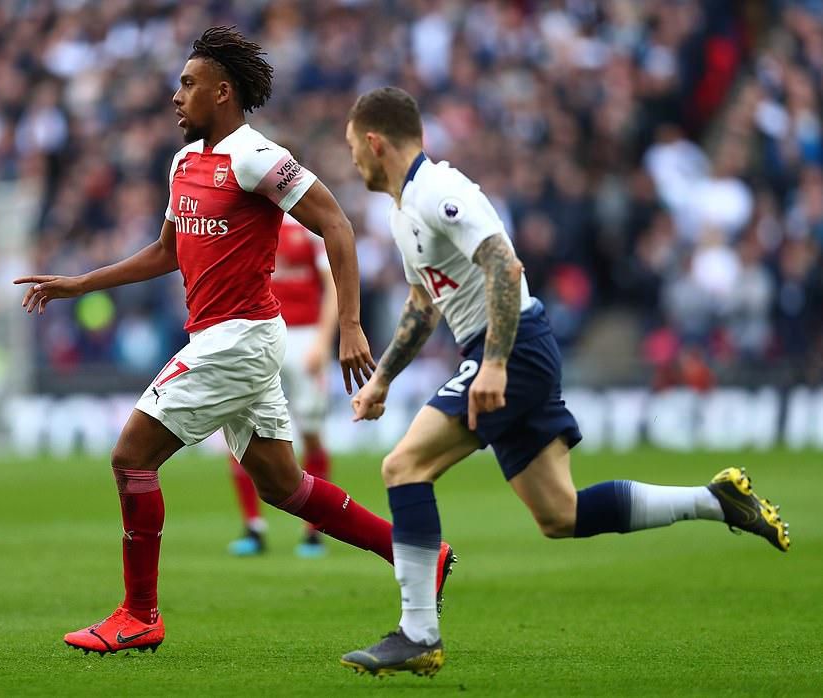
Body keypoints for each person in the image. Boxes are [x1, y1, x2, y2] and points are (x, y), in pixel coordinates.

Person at [14, 30, 453, 656]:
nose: (176, 96)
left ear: (223, 92)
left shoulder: (255, 156)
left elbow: (336, 223)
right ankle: (418, 557)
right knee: (284, 487)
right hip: (230, 337)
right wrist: (79, 284)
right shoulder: (183, 162)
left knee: (130, 458)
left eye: (188, 84)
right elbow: (168, 251)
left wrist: (350, 324)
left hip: (239, 338)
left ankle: (139, 614)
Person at [338, 87, 791, 678]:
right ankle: (716, 501)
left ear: (375, 142)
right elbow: (424, 305)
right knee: (560, 515)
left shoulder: (439, 191)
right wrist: (381, 382)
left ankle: (418, 634)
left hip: (513, 347)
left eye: (353, 148)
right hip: (512, 347)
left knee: (403, 466)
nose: (351, 160)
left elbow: (504, 264)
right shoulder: (404, 211)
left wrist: (495, 363)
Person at [227, 213, 338, 559]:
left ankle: (314, 530)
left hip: (304, 337)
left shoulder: (307, 224)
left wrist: (323, 340)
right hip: (259, 336)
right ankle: (253, 527)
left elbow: (333, 285)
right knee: (240, 427)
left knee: (310, 431)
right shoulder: (248, 221)